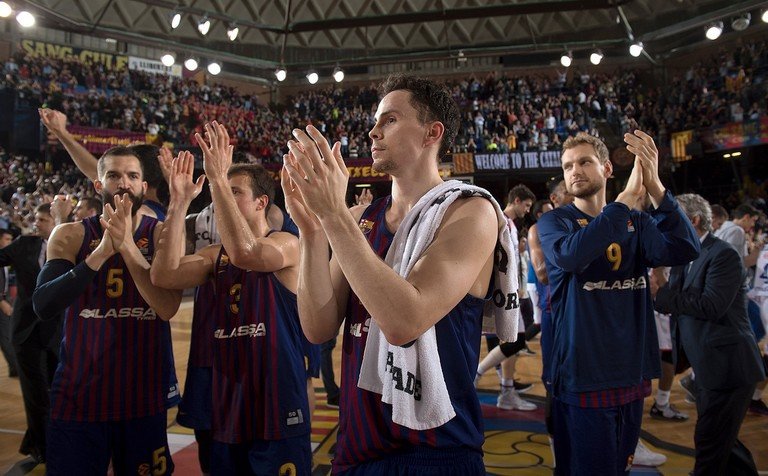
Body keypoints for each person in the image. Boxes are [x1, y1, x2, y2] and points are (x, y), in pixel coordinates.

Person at [282, 74, 504, 474]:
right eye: (375, 121)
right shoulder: (360, 219)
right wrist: (312, 231)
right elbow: (317, 328)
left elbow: (404, 321)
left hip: (436, 451)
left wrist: (333, 215)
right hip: (357, 445)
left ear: (431, 133)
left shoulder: (469, 212)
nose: (373, 131)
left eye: (390, 120)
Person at [150, 124, 311, 475]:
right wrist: (178, 202)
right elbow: (164, 276)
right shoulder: (214, 255)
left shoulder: (286, 243)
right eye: (223, 190)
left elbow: (247, 254)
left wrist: (217, 178)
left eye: (235, 191)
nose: (221, 197)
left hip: (276, 394)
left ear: (261, 202)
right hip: (228, 395)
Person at [537, 131, 700, 474]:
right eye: (568, 166)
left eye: (584, 162)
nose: (574, 171)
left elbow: (687, 248)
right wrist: (624, 200)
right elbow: (571, 256)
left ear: (607, 168)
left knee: (620, 469)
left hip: (630, 370)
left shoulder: (637, 222)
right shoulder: (555, 222)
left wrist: (656, 188)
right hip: (583, 373)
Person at [32, 147, 182, 473]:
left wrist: (126, 245)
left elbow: (167, 307)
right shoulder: (71, 234)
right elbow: (43, 305)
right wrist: (100, 253)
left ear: (144, 186)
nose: (123, 183)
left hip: (143, 392)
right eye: (114, 175)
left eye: (132, 176)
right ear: (98, 185)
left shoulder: (161, 235)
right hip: (79, 393)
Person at [653, 193, 765, 476]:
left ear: (693, 221)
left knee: (710, 442)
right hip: (707, 365)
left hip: (729, 366)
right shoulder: (684, 257)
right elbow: (671, 301)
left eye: (672, 219)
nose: (665, 225)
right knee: (724, 444)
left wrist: (662, 293)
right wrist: (660, 288)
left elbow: (710, 305)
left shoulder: (723, 254)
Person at [0, 203, 59, 464]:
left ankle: (39, 440)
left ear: (56, 221)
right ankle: (44, 448)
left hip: (58, 334)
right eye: (36, 218)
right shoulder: (24, 244)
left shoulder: (70, 244)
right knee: (36, 396)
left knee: (58, 393)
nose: (37, 223)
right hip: (26, 333)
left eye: (43, 219)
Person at [39, 108, 170, 220]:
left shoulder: (142, 215)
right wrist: (62, 133)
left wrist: (61, 218)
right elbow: (95, 170)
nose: (121, 183)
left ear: (142, 181)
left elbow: (95, 171)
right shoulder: (161, 213)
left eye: (130, 174)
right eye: (114, 176)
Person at [475, 184, 537, 411]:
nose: (527, 211)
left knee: (507, 342)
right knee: (515, 341)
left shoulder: (509, 223)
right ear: (516, 200)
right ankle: (478, 373)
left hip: (509, 291)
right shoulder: (499, 219)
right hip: (503, 292)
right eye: (527, 205)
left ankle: (507, 390)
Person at [0, 229, 18, 378]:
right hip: (1, 302)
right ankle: (16, 368)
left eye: (11, 239)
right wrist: (1, 302)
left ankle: (14, 368)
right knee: (6, 337)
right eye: (7, 239)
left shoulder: (7, 257)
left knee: (7, 336)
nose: (10, 242)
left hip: (5, 300)